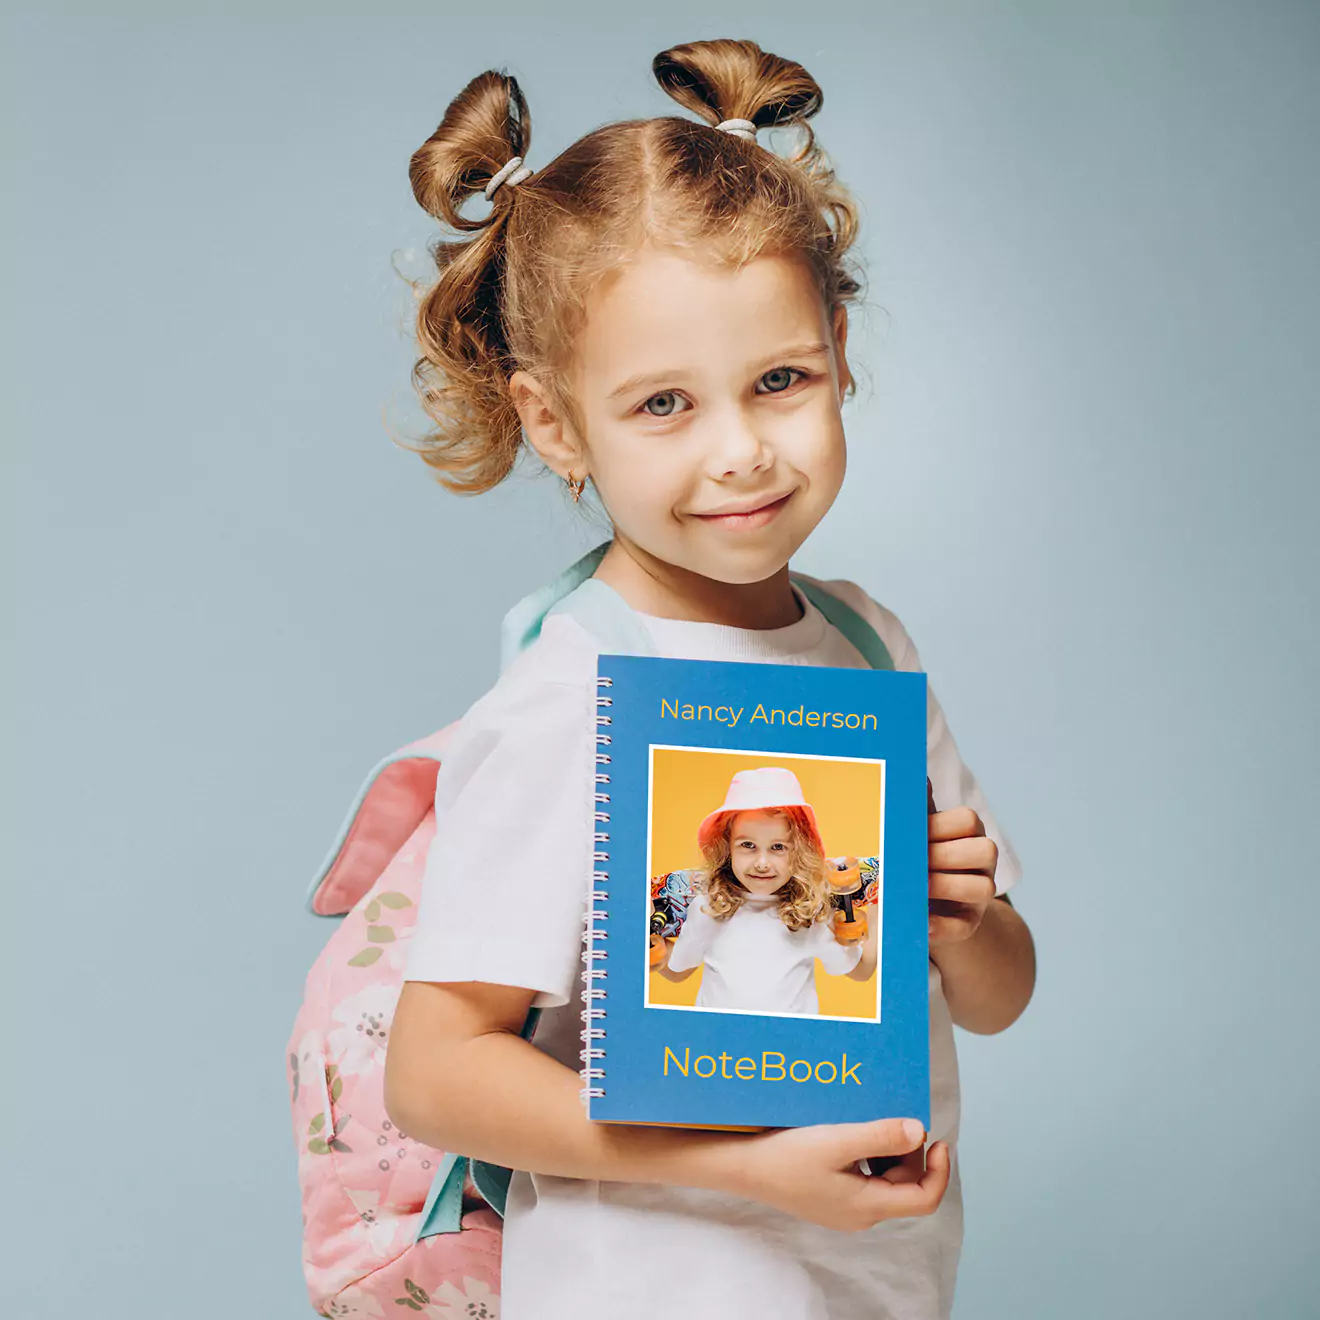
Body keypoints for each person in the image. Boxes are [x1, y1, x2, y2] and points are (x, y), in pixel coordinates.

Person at [384, 36, 1037, 1320]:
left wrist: (968, 922)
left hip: (875, 1281)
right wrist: (747, 1169)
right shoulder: (576, 691)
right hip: (646, 1286)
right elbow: (436, 1072)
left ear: (839, 350)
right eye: (664, 405)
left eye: (780, 380)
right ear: (558, 424)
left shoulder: (867, 645)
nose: (742, 451)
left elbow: (1001, 1000)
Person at [653, 766, 879, 1014]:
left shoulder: (809, 916)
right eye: (748, 845)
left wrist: (880, 906)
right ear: (727, 848)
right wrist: (653, 946)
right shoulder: (706, 908)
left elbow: (861, 971)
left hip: (788, 1048)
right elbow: (679, 971)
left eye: (778, 847)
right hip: (716, 1047)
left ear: (799, 852)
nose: (762, 862)